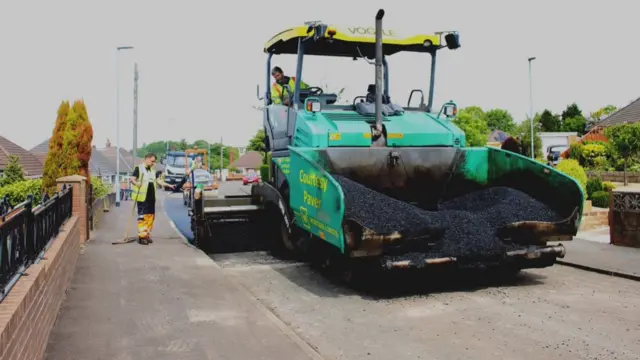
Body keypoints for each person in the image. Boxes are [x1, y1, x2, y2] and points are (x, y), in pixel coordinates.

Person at [129, 153, 175, 245]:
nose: (153, 163)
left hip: (151, 198)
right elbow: (132, 179)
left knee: (150, 217)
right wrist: (136, 183)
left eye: (154, 162)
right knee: (143, 217)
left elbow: (159, 181)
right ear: (146, 159)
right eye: (152, 161)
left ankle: (147, 235)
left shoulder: (152, 171)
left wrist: (169, 185)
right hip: (142, 198)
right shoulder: (139, 168)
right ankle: (142, 237)